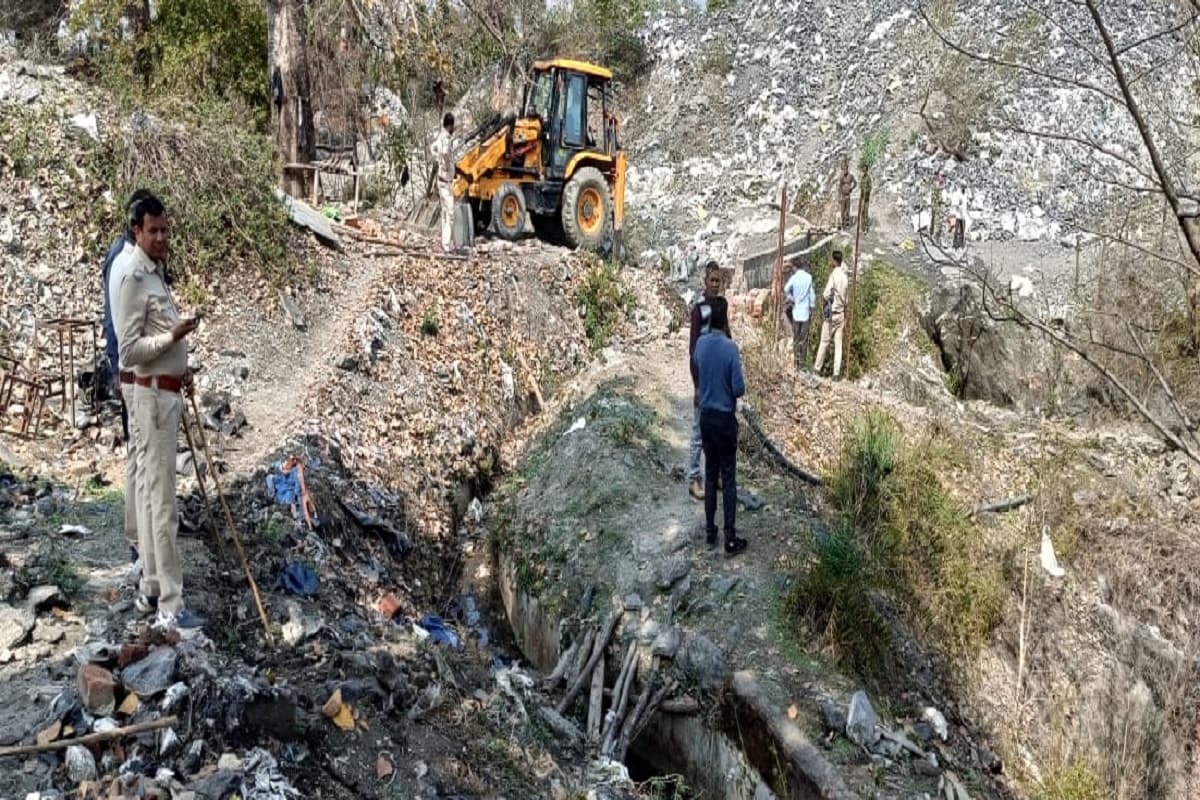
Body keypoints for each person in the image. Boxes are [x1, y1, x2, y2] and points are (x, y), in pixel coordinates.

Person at [113, 194, 205, 633]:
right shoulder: (132, 275)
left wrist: (179, 366)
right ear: (137, 230)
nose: (161, 237)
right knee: (162, 502)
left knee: (153, 498)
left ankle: (153, 587)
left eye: (165, 230)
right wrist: (173, 338)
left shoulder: (152, 272)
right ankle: (171, 601)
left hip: (164, 393)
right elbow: (130, 350)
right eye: (153, 230)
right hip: (149, 399)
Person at [103, 189, 154, 565]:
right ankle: (137, 539)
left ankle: (139, 532)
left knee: (140, 454)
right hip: (132, 372)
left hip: (134, 370)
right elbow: (121, 327)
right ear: (136, 227)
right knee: (139, 454)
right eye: (152, 229)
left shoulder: (134, 261)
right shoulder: (123, 264)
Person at [693, 297, 748, 557]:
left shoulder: (701, 345)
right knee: (728, 477)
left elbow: (698, 369)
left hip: (706, 418)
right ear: (725, 320)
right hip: (725, 419)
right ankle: (730, 536)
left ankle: (710, 531)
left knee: (710, 472)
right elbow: (738, 388)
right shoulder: (730, 349)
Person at [687, 261, 723, 500]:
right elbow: (693, 351)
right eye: (712, 280)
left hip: (718, 378)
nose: (715, 285)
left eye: (718, 281)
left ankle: (714, 474)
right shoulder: (699, 309)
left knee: (717, 429)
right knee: (699, 430)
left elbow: (726, 337)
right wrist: (697, 385)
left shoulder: (721, 306)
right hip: (704, 379)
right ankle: (693, 477)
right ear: (704, 282)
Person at [814, 250, 850, 379]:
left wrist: (824, 305)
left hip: (831, 314)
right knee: (838, 344)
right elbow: (846, 300)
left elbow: (825, 294)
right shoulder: (845, 278)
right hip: (841, 314)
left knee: (824, 341)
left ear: (834, 261)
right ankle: (836, 374)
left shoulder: (833, 275)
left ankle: (817, 369)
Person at [430, 112, 457, 254]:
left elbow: (432, 148)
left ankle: (445, 242)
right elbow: (446, 153)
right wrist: (446, 164)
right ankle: (446, 246)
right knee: (450, 212)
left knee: (445, 214)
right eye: (453, 125)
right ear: (450, 125)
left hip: (441, 180)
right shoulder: (446, 138)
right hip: (446, 181)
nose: (454, 127)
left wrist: (437, 158)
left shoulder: (440, 136)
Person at [783, 257, 815, 371]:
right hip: (805, 312)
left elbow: (786, 289)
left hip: (796, 312)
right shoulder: (808, 278)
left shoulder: (794, 278)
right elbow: (812, 295)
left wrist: (792, 298)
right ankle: (802, 364)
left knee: (796, 337)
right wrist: (812, 308)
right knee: (804, 339)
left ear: (795, 267)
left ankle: (796, 363)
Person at [838, 156, 857, 229]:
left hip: (848, 195)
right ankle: (843, 225)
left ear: (847, 168)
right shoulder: (841, 177)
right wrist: (839, 197)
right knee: (842, 211)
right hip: (843, 196)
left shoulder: (850, 176)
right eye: (843, 169)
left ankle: (847, 224)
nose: (844, 170)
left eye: (845, 168)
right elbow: (839, 187)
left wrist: (851, 188)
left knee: (847, 211)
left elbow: (855, 183)